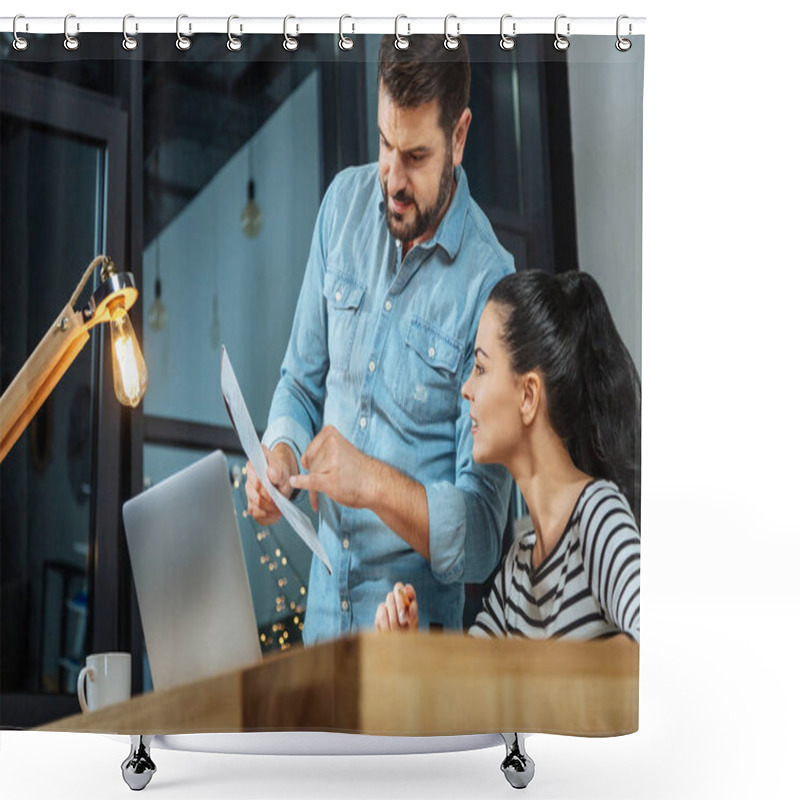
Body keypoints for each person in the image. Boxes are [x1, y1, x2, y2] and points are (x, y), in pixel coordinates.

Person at [246, 34, 514, 645]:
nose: (391, 179)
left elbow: (478, 538)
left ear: (460, 136)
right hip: (319, 627)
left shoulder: (492, 286)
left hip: (413, 647)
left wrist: (370, 481)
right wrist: (280, 454)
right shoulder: (342, 205)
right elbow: (298, 383)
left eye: (416, 156)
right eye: (385, 144)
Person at [376, 270, 641, 642]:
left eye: (481, 368)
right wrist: (407, 649)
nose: (466, 389)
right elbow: (466, 691)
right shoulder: (517, 571)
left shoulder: (598, 513)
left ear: (528, 396)